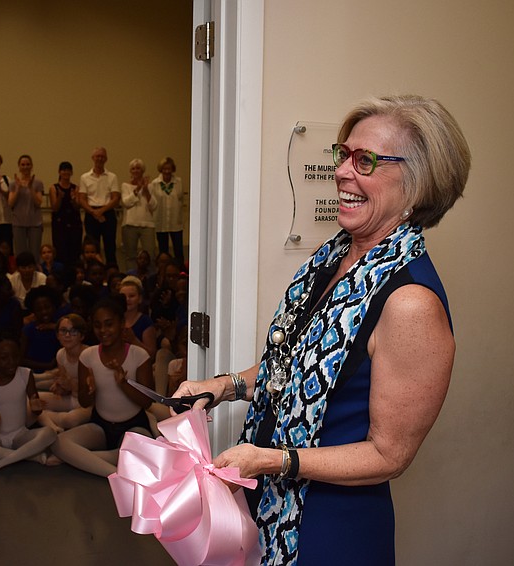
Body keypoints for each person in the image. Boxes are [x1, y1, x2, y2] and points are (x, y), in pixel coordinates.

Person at [173, 94, 471, 565]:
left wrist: (273, 459)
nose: (343, 172)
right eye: (343, 154)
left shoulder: (410, 303)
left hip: (329, 531)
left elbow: (388, 455)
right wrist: (222, 387)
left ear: (417, 185)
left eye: (366, 160)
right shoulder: (332, 258)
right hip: (265, 503)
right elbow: (294, 367)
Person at [50, 296, 153, 477]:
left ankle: (86, 459)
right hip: (101, 425)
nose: (103, 330)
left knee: (139, 451)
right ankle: (113, 473)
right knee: (58, 443)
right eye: (98, 325)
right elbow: (84, 402)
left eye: (109, 324)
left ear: (121, 323)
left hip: (134, 426)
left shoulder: (139, 355)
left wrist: (123, 384)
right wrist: (90, 391)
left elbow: (146, 402)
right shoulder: (88, 356)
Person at [0, 332, 56, 478]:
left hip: (20, 435)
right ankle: (28, 456)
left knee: (50, 433)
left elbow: (36, 409)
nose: (12, 362)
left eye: (15, 356)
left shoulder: (25, 374)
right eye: (4, 358)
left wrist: (36, 408)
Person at [36, 314, 91, 432]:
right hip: (70, 398)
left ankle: (49, 421)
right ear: (57, 335)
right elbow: (65, 387)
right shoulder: (61, 354)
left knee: (69, 419)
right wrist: (60, 387)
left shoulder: (89, 355)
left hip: (88, 405)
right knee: (33, 400)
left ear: (82, 336)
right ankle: (53, 427)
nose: (67, 335)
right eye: (63, 331)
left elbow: (93, 393)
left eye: (73, 331)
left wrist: (71, 386)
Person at [78, 147, 120, 267]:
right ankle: (92, 274)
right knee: (92, 249)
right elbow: (82, 199)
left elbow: (116, 198)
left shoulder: (112, 177)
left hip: (108, 214)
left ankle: (112, 274)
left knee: (110, 247)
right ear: (93, 158)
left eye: (102, 156)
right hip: (91, 215)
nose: (100, 159)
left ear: (106, 159)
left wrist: (101, 211)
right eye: (97, 156)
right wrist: (93, 212)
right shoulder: (84, 177)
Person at [120, 158, 157, 272]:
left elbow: (154, 206)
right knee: (130, 255)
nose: (136, 171)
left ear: (143, 170)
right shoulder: (125, 186)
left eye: (138, 168)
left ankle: (150, 278)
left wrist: (145, 190)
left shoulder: (150, 186)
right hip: (129, 224)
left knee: (150, 255)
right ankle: (131, 278)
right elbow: (126, 203)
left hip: (147, 224)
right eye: (133, 168)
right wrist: (137, 189)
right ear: (130, 171)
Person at [149, 156, 185, 265]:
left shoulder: (178, 182)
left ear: (172, 169)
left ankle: (181, 272)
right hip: (161, 222)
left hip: (175, 222)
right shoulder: (155, 183)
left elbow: (181, 199)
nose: (167, 171)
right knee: (163, 250)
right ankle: (163, 272)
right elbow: (153, 202)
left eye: (169, 168)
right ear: (161, 169)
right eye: (164, 168)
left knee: (178, 249)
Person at [9, 154, 44, 260]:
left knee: (34, 254)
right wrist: (18, 188)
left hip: (35, 223)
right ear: (19, 167)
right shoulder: (13, 183)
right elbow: (10, 203)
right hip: (18, 223)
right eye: (23, 164)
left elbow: (38, 203)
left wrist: (30, 188)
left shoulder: (38, 183)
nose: (25, 167)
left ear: (31, 166)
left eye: (28, 164)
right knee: (20, 254)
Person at [48, 161, 82, 269]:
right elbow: (55, 208)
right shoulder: (54, 188)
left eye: (68, 170)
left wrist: (73, 200)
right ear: (59, 172)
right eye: (63, 170)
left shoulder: (75, 188)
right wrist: (60, 197)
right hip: (59, 224)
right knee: (60, 251)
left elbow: (77, 207)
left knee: (75, 251)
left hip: (74, 223)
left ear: (71, 172)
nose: (66, 172)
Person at [119, 276, 156, 358]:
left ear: (140, 299)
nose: (127, 299)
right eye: (123, 297)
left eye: (131, 296)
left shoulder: (145, 321)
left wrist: (133, 340)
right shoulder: (115, 320)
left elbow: (151, 354)